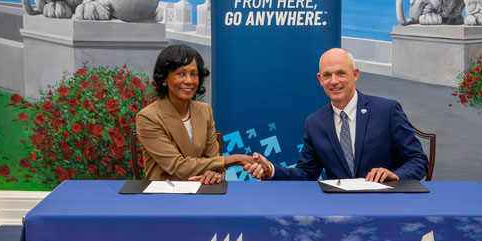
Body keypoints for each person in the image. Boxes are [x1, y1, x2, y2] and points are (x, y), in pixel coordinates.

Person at [245, 48, 428, 182]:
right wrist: (271, 169)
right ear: (320, 79)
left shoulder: (387, 111)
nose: (334, 81)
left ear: (355, 74)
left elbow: (418, 160)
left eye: (341, 73)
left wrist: (396, 175)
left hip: (386, 204)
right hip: (338, 211)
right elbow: (306, 174)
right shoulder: (314, 123)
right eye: (327, 75)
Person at [136, 45, 253, 183]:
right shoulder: (148, 117)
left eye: (194, 74)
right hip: (165, 196)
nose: (189, 81)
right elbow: (178, 167)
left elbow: (214, 162)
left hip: (203, 192)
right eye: (180, 73)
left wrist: (214, 175)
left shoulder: (204, 111)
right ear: (164, 78)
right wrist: (235, 159)